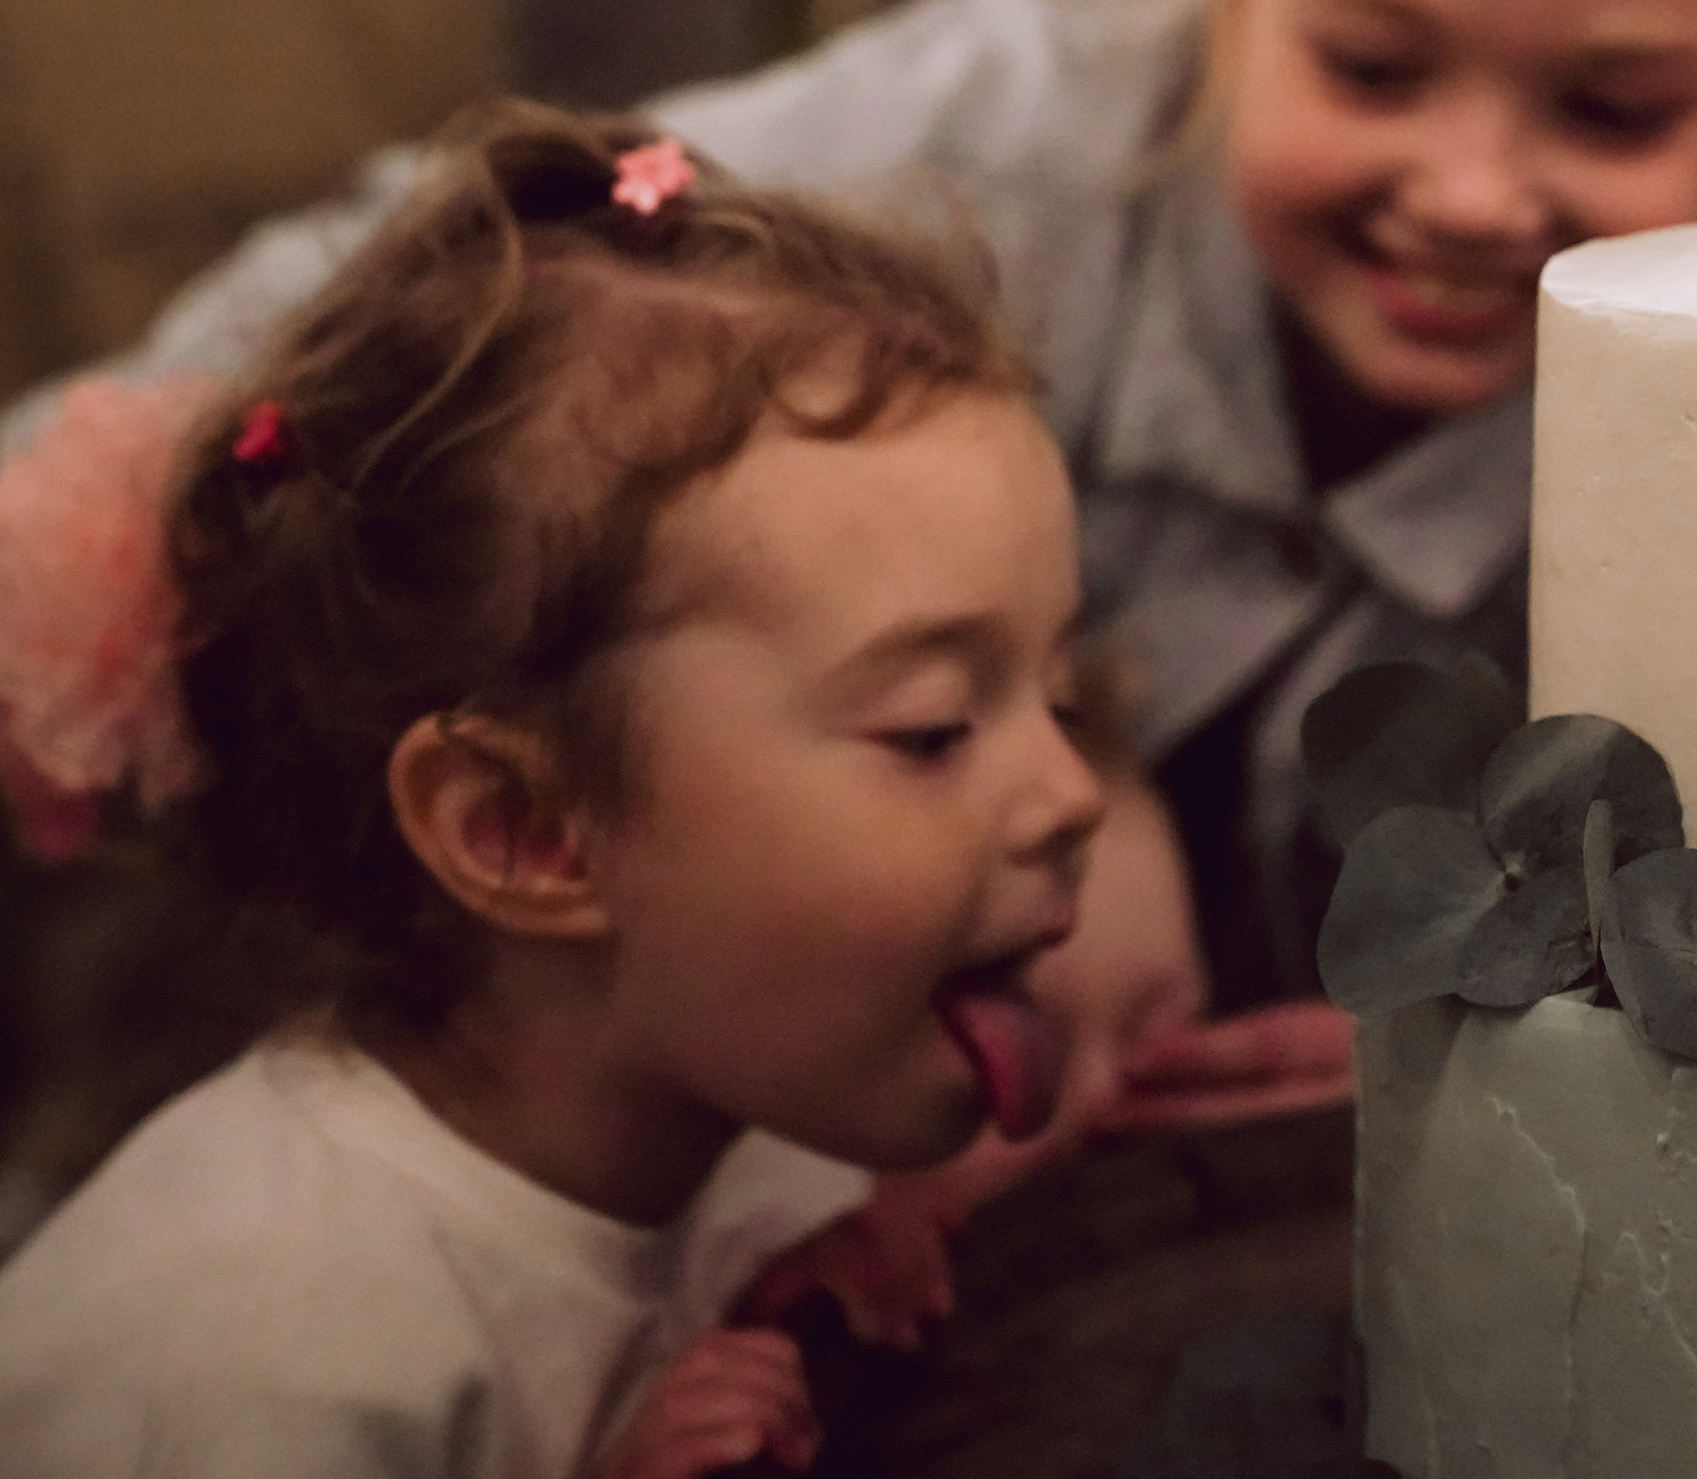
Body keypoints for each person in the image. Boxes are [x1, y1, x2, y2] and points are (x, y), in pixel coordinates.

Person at [4, 0, 1697, 1202]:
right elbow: (432, 287)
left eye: (1614, 109)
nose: (1470, 191)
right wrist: (79, 565)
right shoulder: (993, 136)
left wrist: (1480, 1035)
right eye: (1371, 65)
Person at [0, 104, 1112, 1477]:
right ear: (526, 832)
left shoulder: (728, 1107)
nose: (1072, 794)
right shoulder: (249, 1359)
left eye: (1059, 696)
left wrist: (835, 1250)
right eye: (934, 732)